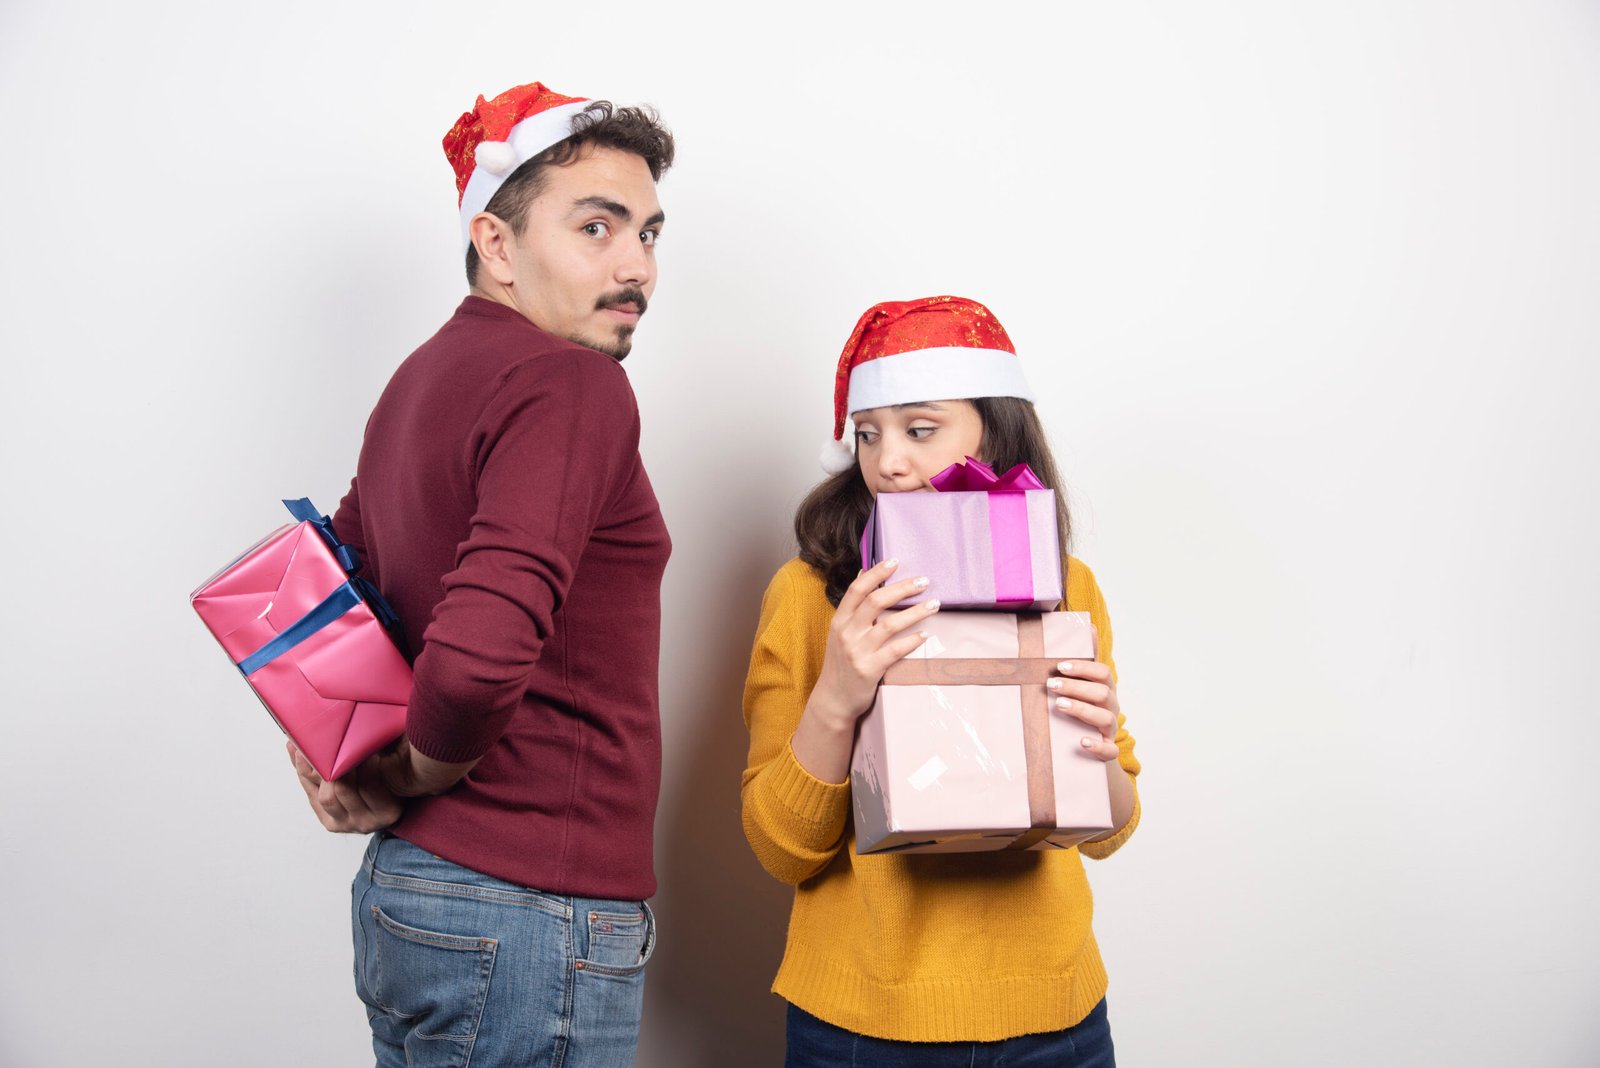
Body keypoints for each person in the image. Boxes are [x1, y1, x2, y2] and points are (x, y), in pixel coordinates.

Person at [286, 81, 675, 1068]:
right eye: (597, 227)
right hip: (528, 914)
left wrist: (340, 764)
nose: (635, 267)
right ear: (496, 245)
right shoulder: (573, 382)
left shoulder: (419, 382)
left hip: (414, 897)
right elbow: (468, 666)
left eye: (648, 233)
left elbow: (322, 589)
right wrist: (419, 766)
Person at [741, 295, 1142, 1065]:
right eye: (867, 435)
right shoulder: (810, 591)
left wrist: (1094, 741)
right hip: (863, 1024)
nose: (888, 460)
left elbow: (1113, 829)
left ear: (995, 428)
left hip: (1055, 1019)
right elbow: (782, 851)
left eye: (921, 430)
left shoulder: (1066, 581)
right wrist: (837, 696)